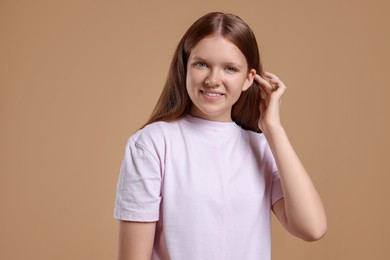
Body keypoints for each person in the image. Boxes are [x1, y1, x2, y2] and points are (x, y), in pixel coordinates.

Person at [114, 12, 327, 260]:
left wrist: (273, 129)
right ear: (185, 66)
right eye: (201, 64)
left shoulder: (261, 147)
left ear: (249, 79)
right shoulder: (152, 144)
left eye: (230, 68)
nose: (213, 80)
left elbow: (312, 228)